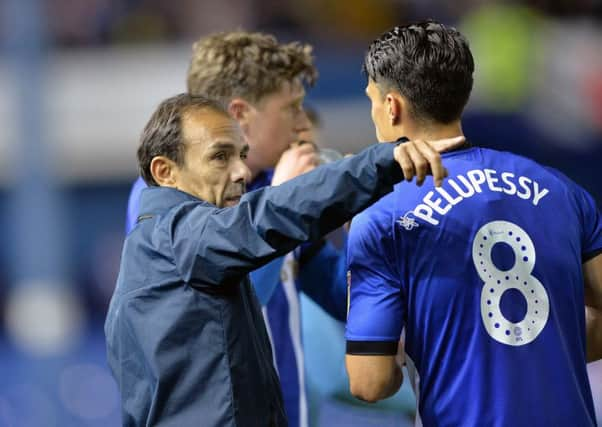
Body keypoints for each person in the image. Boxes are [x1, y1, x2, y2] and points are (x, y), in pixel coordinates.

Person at [104, 92, 462, 426]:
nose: (242, 172)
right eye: (219, 156)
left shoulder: (171, 251)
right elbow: (271, 214)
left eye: (242, 155)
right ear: (164, 171)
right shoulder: (176, 237)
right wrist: (381, 162)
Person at [344, 21, 602, 427]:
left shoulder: (382, 215)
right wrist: (543, 343)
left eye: (372, 101)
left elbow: (369, 382)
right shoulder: (563, 191)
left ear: (391, 106)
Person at [124, 31, 343, 427]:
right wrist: (283, 204)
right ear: (240, 114)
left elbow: (334, 285)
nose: (301, 123)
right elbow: (236, 302)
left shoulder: (273, 183)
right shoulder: (163, 197)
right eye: (290, 108)